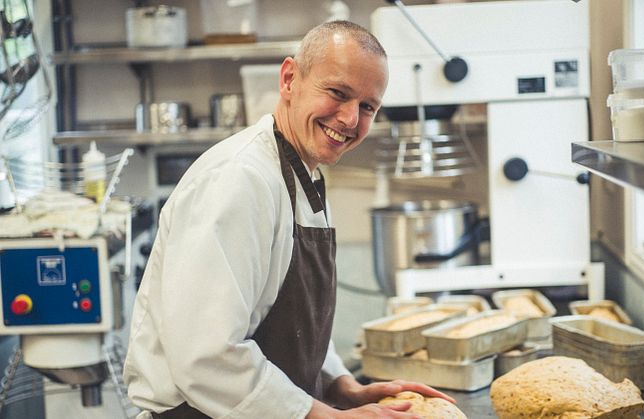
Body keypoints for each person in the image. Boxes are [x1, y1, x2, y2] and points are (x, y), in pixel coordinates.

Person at [123, 20, 455, 419]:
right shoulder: (240, 178)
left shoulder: (303, 171)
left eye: (367, 106)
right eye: (337, 92)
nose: (350, 119)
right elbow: (207, 356)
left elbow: (288, 324)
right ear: (289, 79)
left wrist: (339, 385)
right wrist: (326, 415)